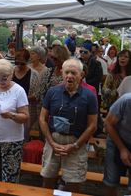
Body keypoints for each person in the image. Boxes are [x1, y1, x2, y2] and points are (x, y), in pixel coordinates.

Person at [39, 58, 98, 193]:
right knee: (48, 178)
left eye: (73, 73)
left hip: (76, 143)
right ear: (61, 73)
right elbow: (42, 118)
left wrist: (75, 145)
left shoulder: (89, 96)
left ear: (81, 75)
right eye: (67, 72)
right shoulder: (52, 92)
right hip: (53, 141)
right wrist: (51, 142)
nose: (69, 76)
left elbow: (92, 125)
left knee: (74, 182)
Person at [103, 93, 131, 196]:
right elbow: (108, 123)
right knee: (111, 181)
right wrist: (122, 149)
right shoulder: (126, 100)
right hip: (117, 139)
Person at [13, 49, 40, 140]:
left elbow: (37, 95)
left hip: (26, 109)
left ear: (28, 61)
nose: (19, 66)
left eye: (22, 63)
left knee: (23, 136)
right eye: (17, 63)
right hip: (11, 108)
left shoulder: (34, 74)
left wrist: (21, 99)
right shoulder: (11, 71)